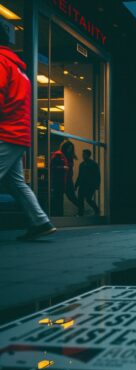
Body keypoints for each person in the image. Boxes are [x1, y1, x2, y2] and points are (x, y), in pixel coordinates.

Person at [0, 31, 56, 240]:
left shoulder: (1, 62)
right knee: (16, 183)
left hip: (6, 132)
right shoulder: (18, 68)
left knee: (16, 183)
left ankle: (40, 221)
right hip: (19, 134)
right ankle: (40, 221)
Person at [50, 140, 78, 216]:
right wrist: (62, 167)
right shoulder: (58, 155)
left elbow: (70, 170)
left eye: (71, 148)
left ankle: (81, 211)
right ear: (65, 147)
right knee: (59, 199)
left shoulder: (69, 156)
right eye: (68, 148)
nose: (70, 150)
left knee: (72, 197)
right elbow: (52, 167)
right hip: (59, 181)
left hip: (68, 181)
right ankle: (59, 216)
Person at [75, 149, 100, 216]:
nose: (83, 156)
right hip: (83, 185)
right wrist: (76, 185)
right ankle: (81, 213)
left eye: (84, 154)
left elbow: (97, 175)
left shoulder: (93, 164)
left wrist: (97, 185)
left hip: (90, 185)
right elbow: (80, 176)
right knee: (81, 199)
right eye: (83, 154)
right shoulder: (82, 164)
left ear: (88, 155)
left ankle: (96, 210)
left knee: (88, 199)